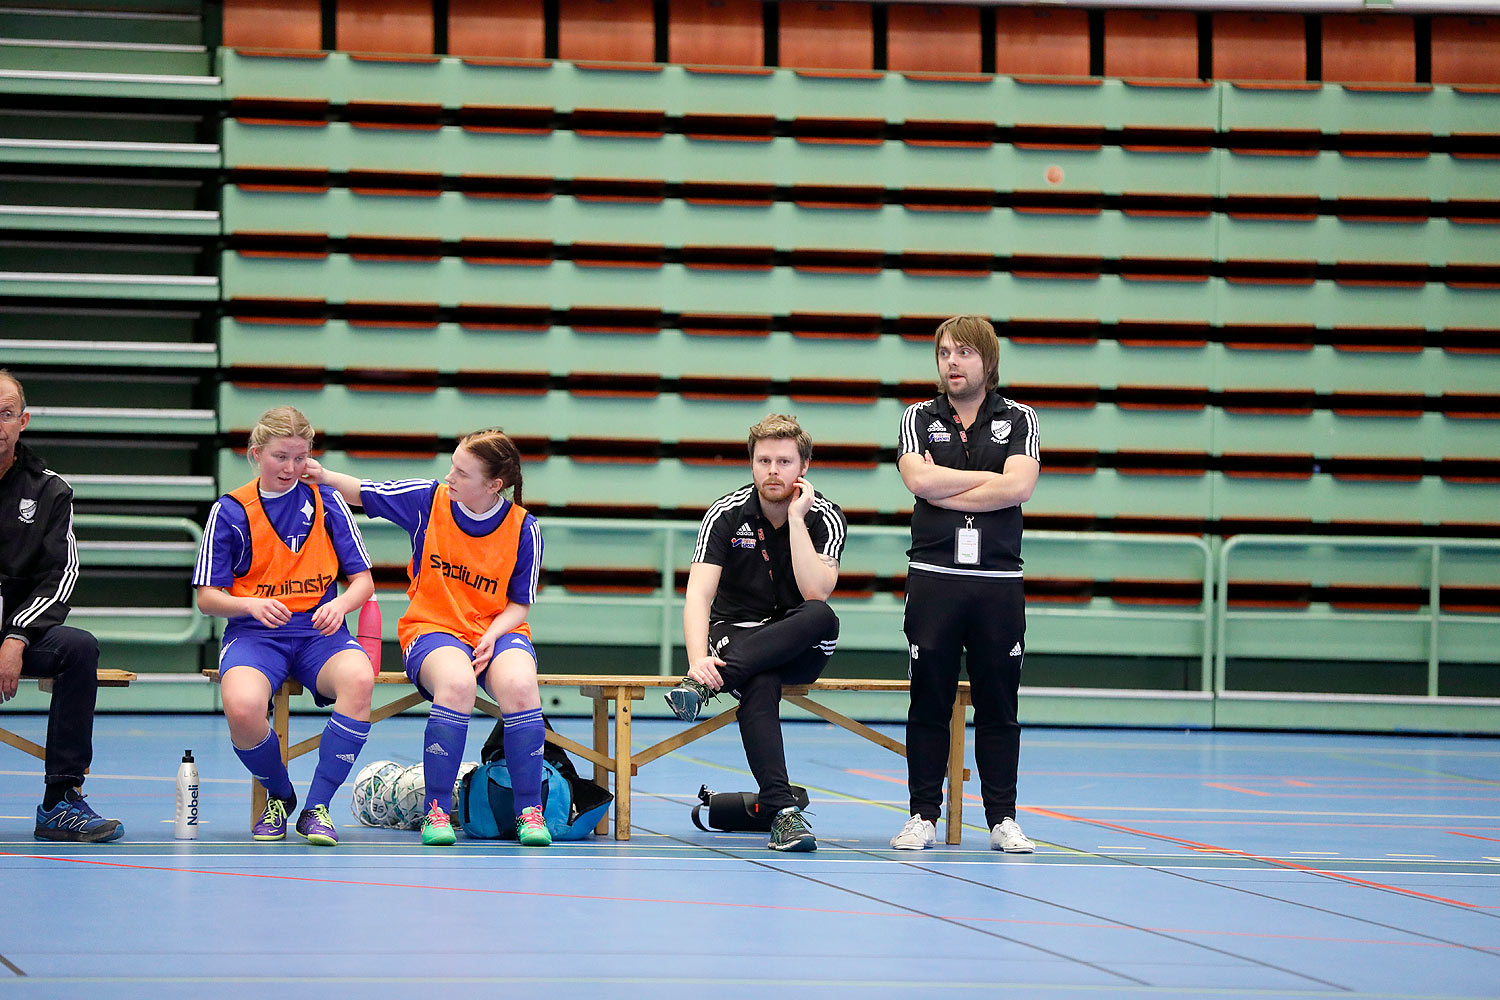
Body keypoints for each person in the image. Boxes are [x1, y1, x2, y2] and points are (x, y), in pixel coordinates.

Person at [307, 429, 550, 847]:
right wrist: (321, 473)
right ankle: (436, 811)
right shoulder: (428, 499)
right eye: (452, 465)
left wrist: (491, 637)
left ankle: (529, 811)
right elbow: (363, 492)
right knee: (456, 683)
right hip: (432, 628)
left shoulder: (523, 528)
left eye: (462, 472)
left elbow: (519, 606)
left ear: (494, 485)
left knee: (521, 686)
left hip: (498, 629)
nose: (449, 476)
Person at [890, 316, 1040, 853]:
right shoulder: (917, 416)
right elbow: (917, 479)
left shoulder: (1020, 418)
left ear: (988, 362)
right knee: (927, 701)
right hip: (934, 580)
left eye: (964, 353)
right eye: (945, 353)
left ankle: (1002, 819)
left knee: (999, 704)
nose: (952, 362)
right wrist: (988, 484)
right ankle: (922, 815)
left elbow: (1020, 487)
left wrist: (945, 491)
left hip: (997, 582)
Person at [194, 406, 376, 847]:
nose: (292, 468)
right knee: (241, 708)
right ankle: (280, 794)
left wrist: (343, 605)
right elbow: (206, 599)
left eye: (301, 457)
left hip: (321, 632)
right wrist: (252, 606)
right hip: (256, 635)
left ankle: (317, 808)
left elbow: (364, 581)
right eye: (281, 457)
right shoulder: (230, 511)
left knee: (360, 679)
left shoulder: (327, 501)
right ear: (256, 454)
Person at [666, 414, 846, 853]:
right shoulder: (724, 515)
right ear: (751, 464)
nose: (773, 470)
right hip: (736, 637)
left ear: (803, 467)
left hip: (799, 638)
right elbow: (698, 597)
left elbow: (815, 591)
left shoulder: (825, 517)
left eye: (784, 461)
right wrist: (697, 661)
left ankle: (708, 687)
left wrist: (798, 521)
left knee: (823, 615)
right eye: (763, 460)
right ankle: (784, 815)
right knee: (760, 682)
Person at [0, 370, 124, 842]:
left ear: (23, 421)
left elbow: (61, 576)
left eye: (6, 413)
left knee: (78, 648)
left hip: (21, 631)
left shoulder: (49, 489)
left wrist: (16, 634)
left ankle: (61, 800)